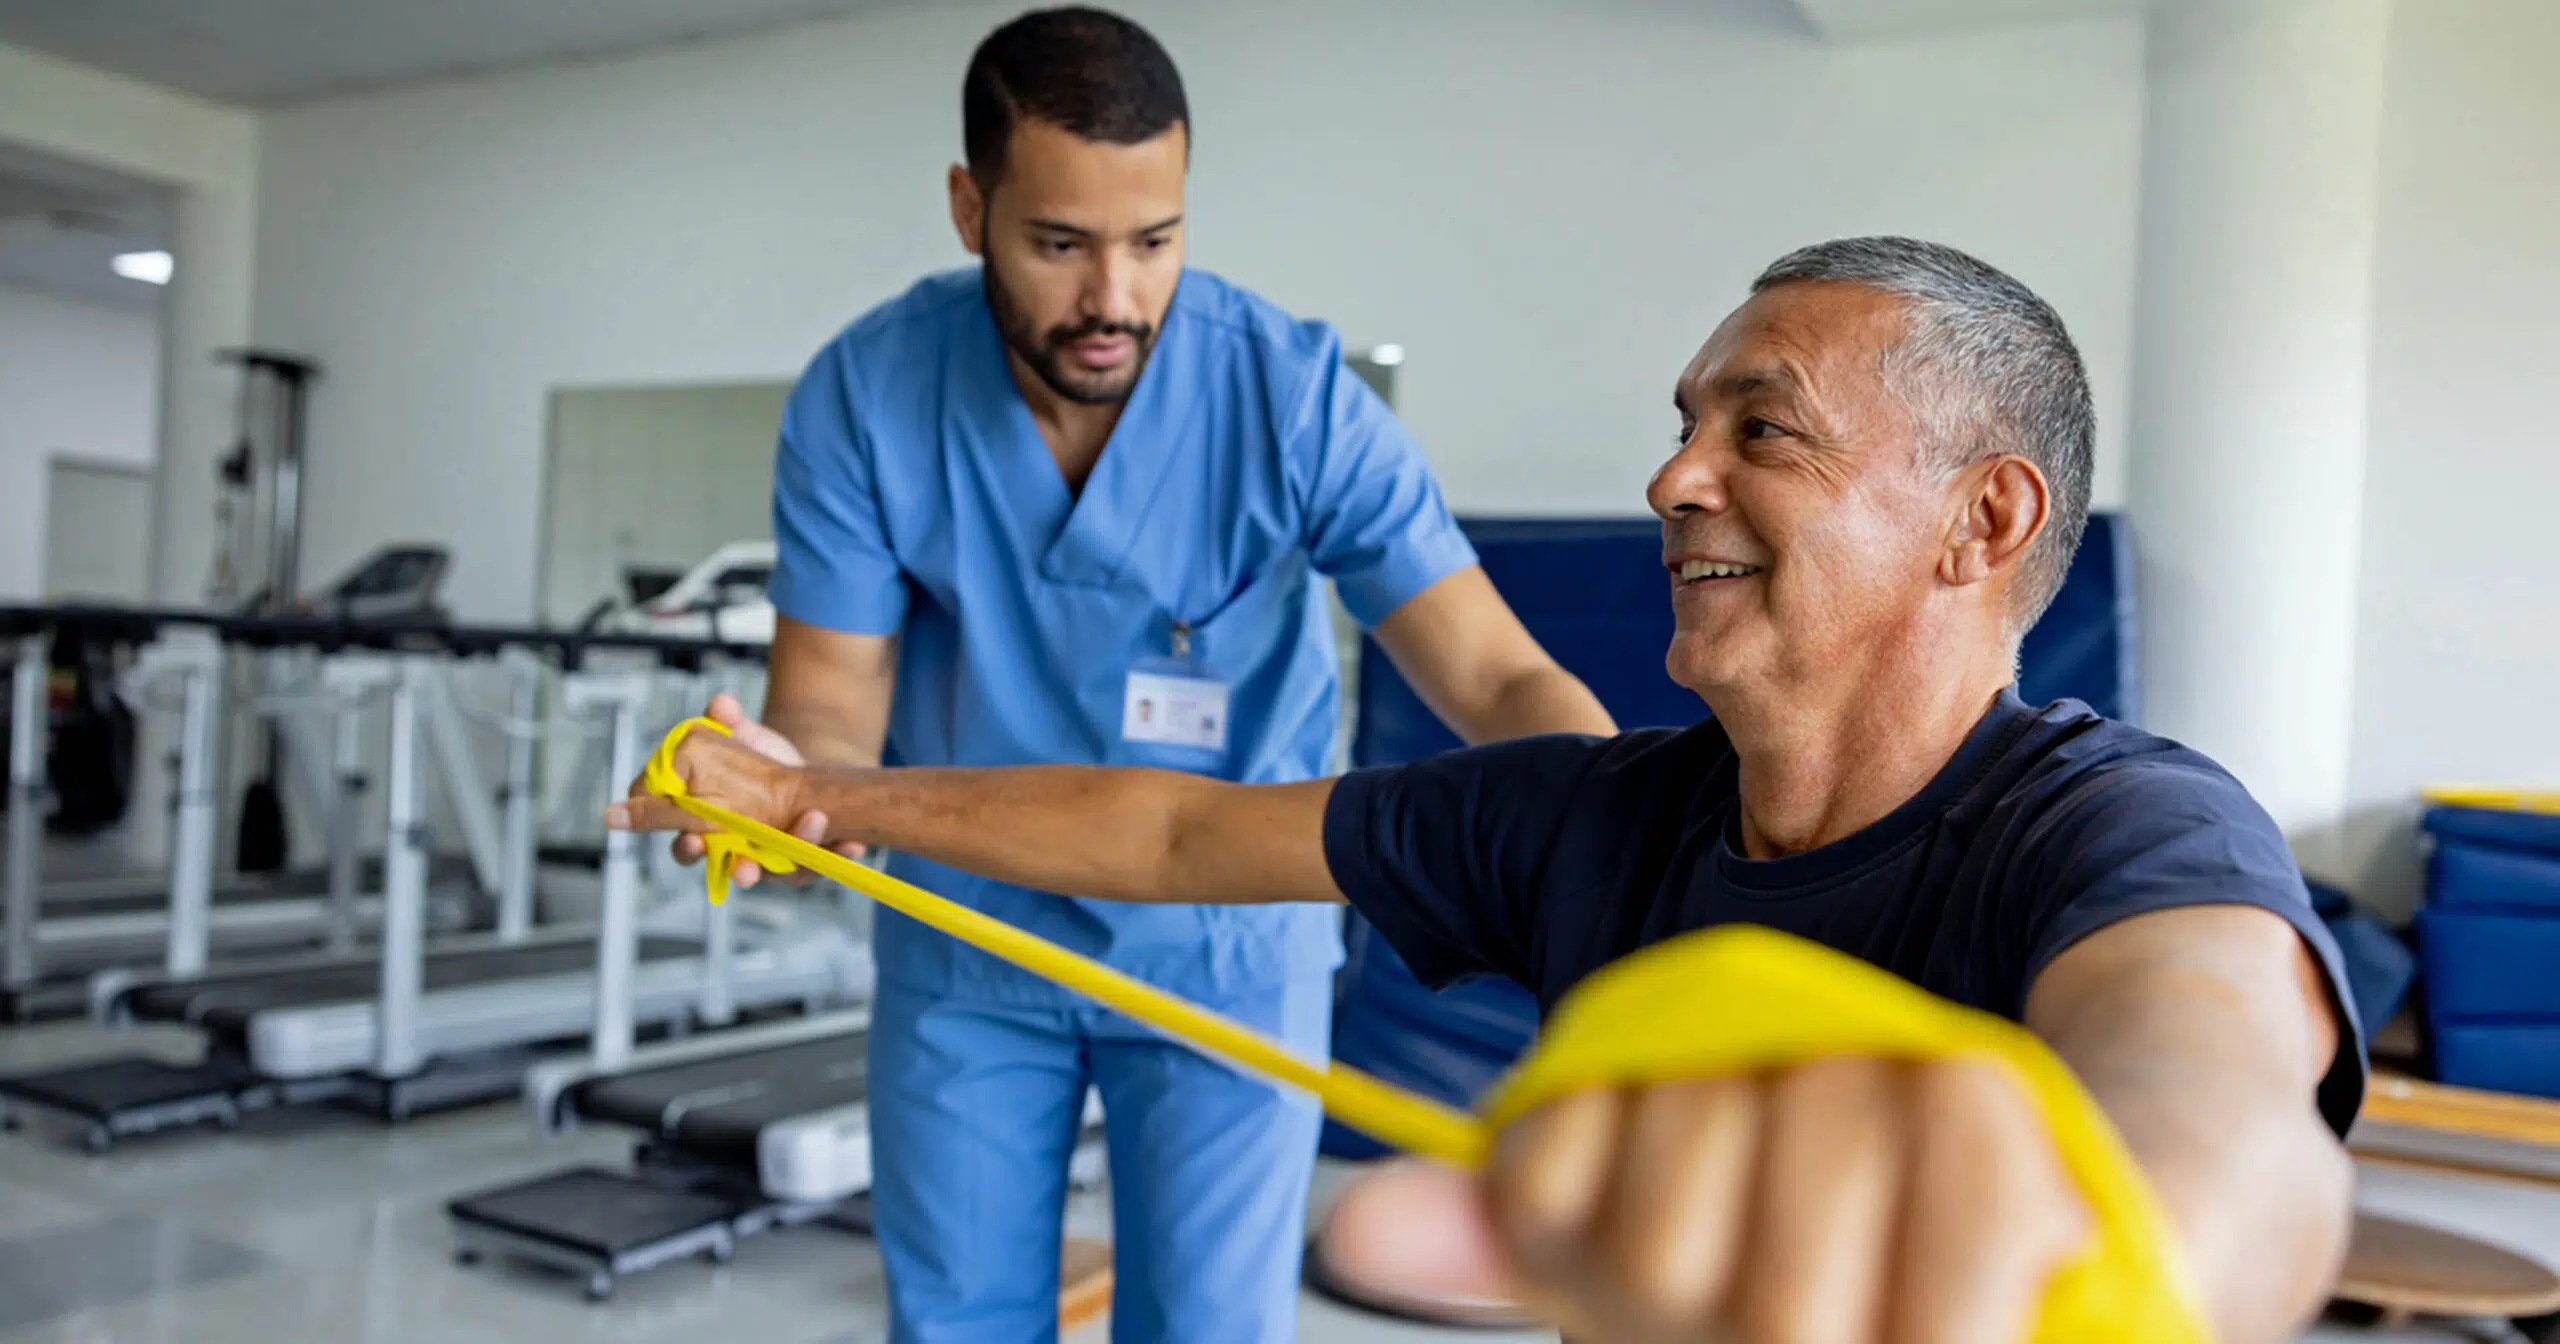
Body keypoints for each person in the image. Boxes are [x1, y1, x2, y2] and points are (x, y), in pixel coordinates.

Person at [621, 235, 2367, 1343]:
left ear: (1982, 524)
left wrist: (2136, 1230)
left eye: (1763, 430)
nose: (1673, 473)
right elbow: (1165, 826)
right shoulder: (1597, 816)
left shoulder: (2123, 820)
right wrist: (812, 797)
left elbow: (2217, 1093)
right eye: (1686, 422)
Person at [716, 7, 1616, 1340]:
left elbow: (1493, 679)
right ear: (971, 209)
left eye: (1155, 242)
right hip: (974, 939)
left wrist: (1622, 861)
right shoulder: (869, 393)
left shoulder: (1292, 398)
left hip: (1226, 947)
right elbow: (830, 706)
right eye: (1059, 245)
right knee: (958, 1320)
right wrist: (787, 787)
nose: (1114, 300)